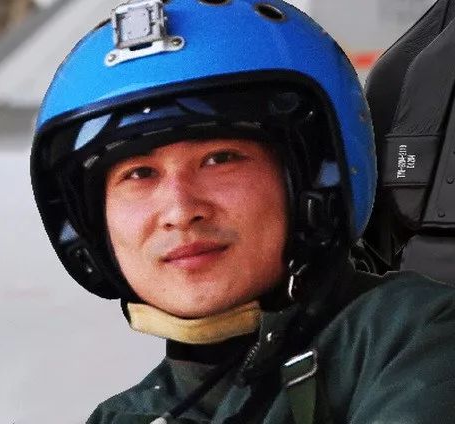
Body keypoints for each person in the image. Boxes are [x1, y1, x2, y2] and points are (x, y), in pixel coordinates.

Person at [30, 0, 455, 422]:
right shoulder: (122, 418)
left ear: (312, 184)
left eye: (220, 159)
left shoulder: (417, 338)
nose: (180, 211)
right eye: (139, 174)